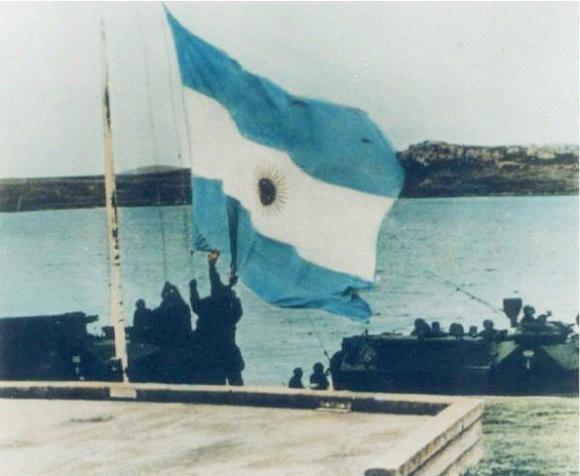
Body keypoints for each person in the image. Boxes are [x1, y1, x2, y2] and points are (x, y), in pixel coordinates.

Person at [190, 250, 245, 386]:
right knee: (236, 382)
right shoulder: (229, 312)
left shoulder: (207, 306)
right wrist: (235, 296)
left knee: (214, 382)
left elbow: (195, 304)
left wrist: (193, 288)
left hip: (209, 353)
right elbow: (238, 311)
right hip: (227, 351)